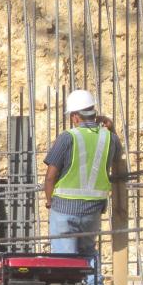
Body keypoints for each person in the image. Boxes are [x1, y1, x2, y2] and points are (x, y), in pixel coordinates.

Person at [43, 90, 123, 269]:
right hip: (92, 211)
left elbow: (50, 177)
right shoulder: (109, 138)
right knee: (89, 255)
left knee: (65, 262)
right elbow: (118, 155)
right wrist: (112, 128)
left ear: (75, 117)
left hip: (64, 209)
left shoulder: (68, 137)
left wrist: (49, 201)